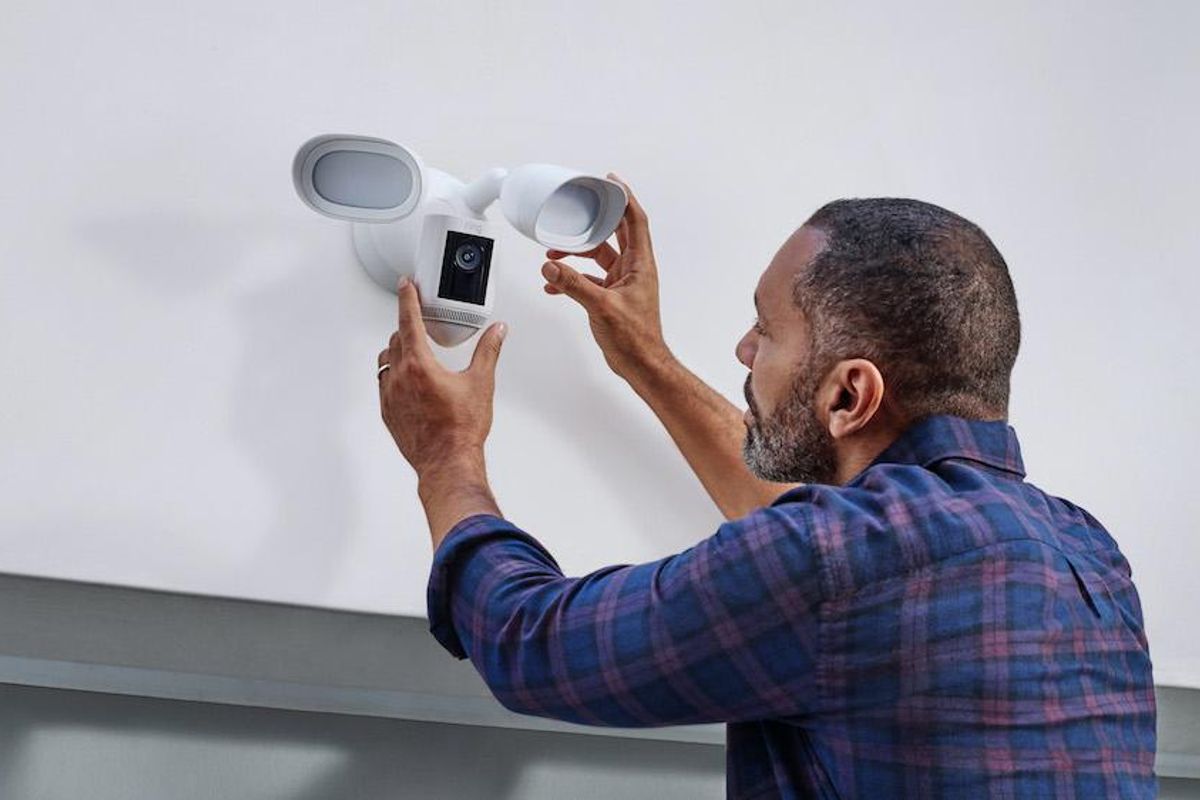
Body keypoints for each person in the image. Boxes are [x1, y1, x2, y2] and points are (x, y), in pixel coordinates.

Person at [376, 179, 1157, 798]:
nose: (743, 349)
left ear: (851, 396)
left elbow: (530, 645)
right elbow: (838, 556)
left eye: (767, 330)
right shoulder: (1088, 557)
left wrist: (446, 457)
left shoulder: (839, 562)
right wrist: (646, 358)